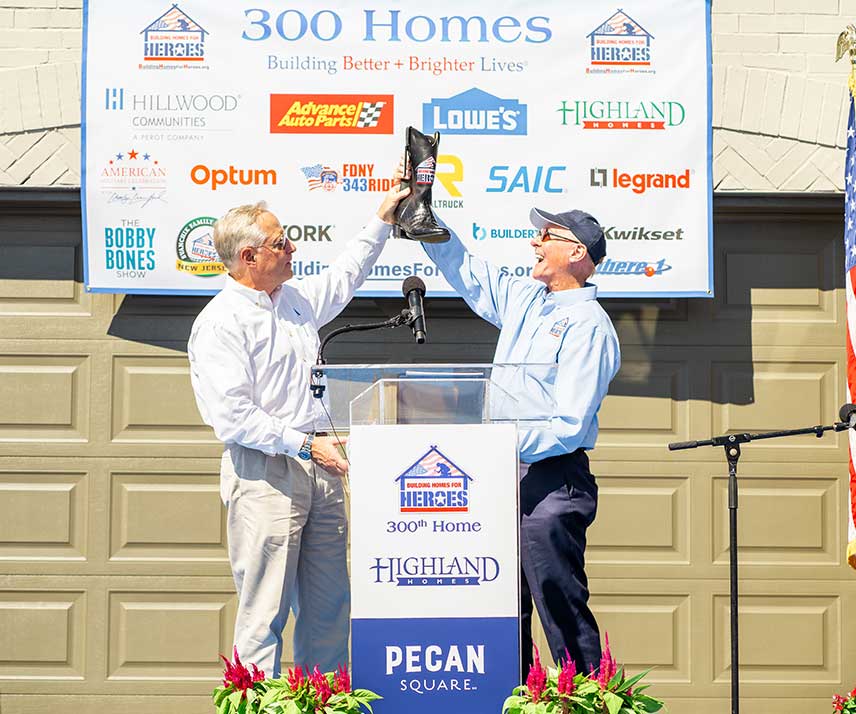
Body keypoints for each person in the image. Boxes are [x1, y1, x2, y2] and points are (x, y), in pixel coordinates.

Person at [187, 177, 408, 677]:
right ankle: (257, 706)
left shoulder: (295, 300)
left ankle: (325, 702)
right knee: (264, 612)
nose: (292, 248)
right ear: (248, 257)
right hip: (268, 472)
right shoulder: (221, 322)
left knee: (330, 608)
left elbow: (346, 274)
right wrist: (307, 446)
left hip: (320, 470)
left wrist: (383, 219)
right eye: (280, 242)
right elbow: (233, 415)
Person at [422, 205, 621, 678]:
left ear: (576, 252)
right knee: (502, 608)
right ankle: (514, 699)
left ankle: (588, 702)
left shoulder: (589, 327)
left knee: (560, 606)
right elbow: (467, 271)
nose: (533, 242)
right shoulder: (527, 298)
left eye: (545, 235)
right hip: (503, 475)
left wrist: (495, 441)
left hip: (551, 482)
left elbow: (568, 425)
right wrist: (426, 217)